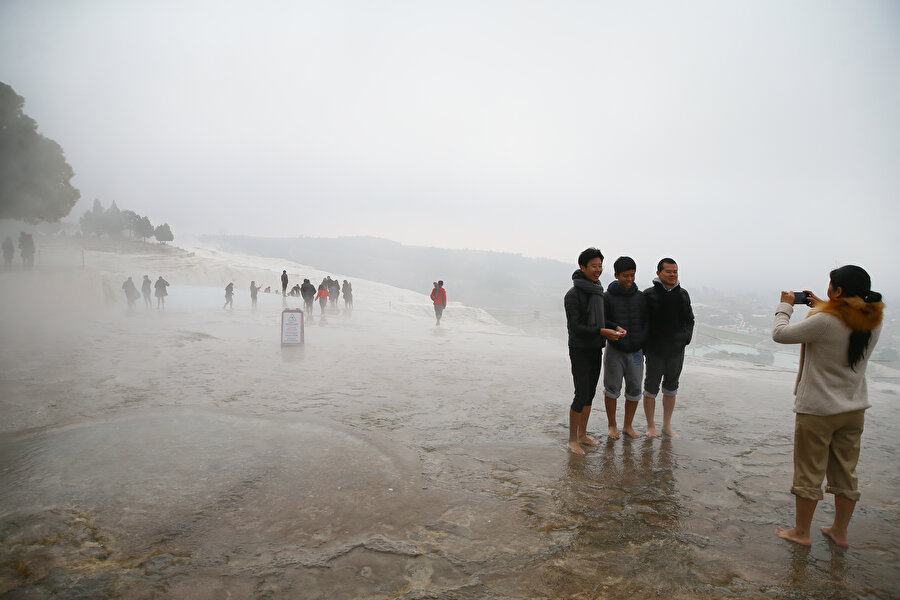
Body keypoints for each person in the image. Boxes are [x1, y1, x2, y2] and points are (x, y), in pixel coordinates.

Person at [772, 265, 884, 548]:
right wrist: (823, 305)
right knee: (846, 471)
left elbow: (781, 334)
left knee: (809, 471)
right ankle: (839, 531)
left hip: (818, 410)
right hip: (853, 409)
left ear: (839, 291)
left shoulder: (824, 321)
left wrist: (785, 307)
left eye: (830, 284)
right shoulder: (872, 319)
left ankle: (801, 532)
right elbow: (843, 320)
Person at [564, 248, 626, 455]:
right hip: (579, 349)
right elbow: (576, 327)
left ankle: (583, 434)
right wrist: (601, 331)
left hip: (595, 348)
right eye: (594, 266)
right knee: (580, 393)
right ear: (582, 267)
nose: (598, 270)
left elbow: (600, 321)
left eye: (600, 266)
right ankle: (572, 439)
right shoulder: (573, 295)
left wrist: (615, 326)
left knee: (590, 393)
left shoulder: (597, 290)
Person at [642, 258, 694, 438]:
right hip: (655, 350)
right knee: (650, 388)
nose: (672, 275)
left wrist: (685, 339)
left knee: (671, 388)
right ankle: (650, 426)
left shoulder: (683, 294)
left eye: (675, 272)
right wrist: (645, 346)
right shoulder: (648, 295)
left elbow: (689, 320)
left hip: (676, 350)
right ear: (658, 273)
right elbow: (643, 322)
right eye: (668, 271)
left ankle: (666, 425)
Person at [602, 256, 649, 439]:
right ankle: (612, 426)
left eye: (632, 275)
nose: (629, 280)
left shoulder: (641, 297)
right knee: (612, 389)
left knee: (635, 389)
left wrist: (642, 340)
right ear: (616, 275)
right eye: (625, 276)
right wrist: (614, 327)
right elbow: (602, 321)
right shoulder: (606, 297)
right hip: (615, 349)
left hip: (636, 351)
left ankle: (627, 426)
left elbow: (647, 321)